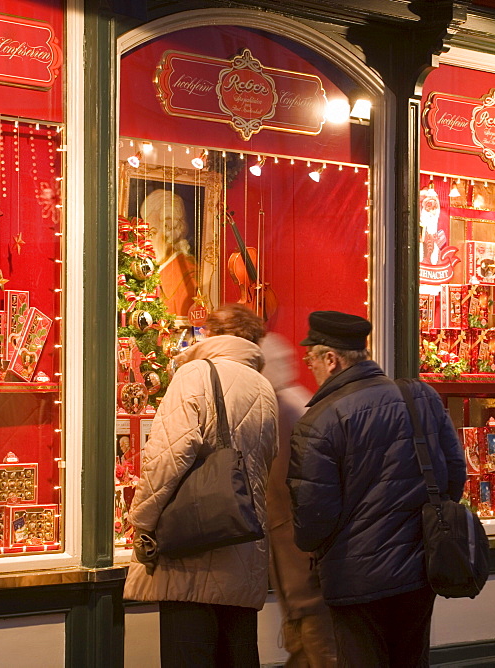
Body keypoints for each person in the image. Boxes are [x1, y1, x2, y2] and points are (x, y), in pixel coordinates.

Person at [287, 311, 466, 667]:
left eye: (311, 359)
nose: (310, 368)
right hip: (420, 569)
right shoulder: (421, 396)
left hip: (354, 578)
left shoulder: (318, 421)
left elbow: (313, 520)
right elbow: (455, 474)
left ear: (332, 360)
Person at [124, 303, 278, 667]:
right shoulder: (263, 386)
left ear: (210, 333)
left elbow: (167, 458)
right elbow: (267, 461)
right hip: (243, 540)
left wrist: (142, 520)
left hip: (191, 545)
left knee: (188, 650)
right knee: (237, 652)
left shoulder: (195, 374)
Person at [259, 332, 337, 668]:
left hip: (298, 549)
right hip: (296, 548)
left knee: (315, 637)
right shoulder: (292, 403)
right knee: (306, 638)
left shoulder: (283, 409)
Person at [141, 188, 198, 318]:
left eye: (151, 233)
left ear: (169, 232)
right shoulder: (155, 270)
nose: (145, 240)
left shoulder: (189, 276)